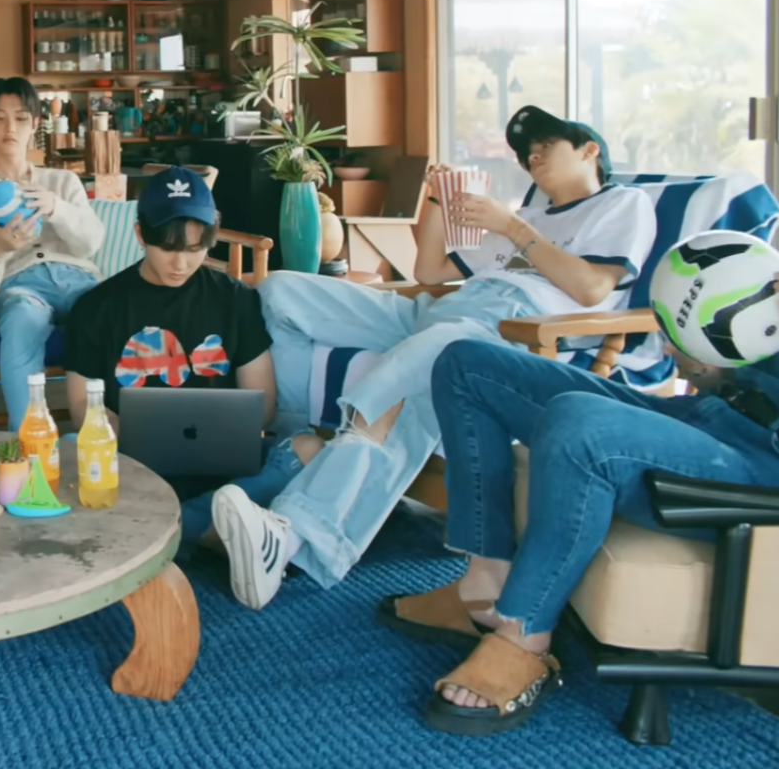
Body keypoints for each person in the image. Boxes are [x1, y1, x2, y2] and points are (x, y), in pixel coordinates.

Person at [385, 80, 779, 737]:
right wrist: (703, 365)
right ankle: (482, 587)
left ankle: (522, 641)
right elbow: (753, 368)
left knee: (582, 422)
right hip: (715, 424)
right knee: (468, 362)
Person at [212, 106, 656, 610]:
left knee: (426, 358)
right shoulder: (526, 215)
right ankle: (296, 451)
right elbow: (430, 269)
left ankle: (293, 535)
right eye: (526, 154)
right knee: (280, 292)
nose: (532, 158)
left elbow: (592, 287)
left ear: (589, 150)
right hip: (445, 309)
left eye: (544, 146)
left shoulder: (622, 204)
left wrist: (513, 227)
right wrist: (437, 202)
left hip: (512, 330)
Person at [62, 167, 277, 544]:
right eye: (168, 248)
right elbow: (83, 405)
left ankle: (176, 529)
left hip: (225, 468)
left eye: (195, 249)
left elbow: (264, 405)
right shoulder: (96, 308)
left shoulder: (236, 299)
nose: (180, 264)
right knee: (63, 454)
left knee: (306, 450)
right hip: (134, 468)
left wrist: (215, 438)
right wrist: (132, 442)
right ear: (140, 235)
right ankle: (215, 528)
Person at [0, 78, 105, 421]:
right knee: (21, 322)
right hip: (20, 286)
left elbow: (91, 243)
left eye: (20, 118)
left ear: (35, 123)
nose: (10, 129)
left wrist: (56, 208)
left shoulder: (62, 182)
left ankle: (112, 434)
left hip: (80, 280)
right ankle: (29, 442)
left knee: (112, 311)